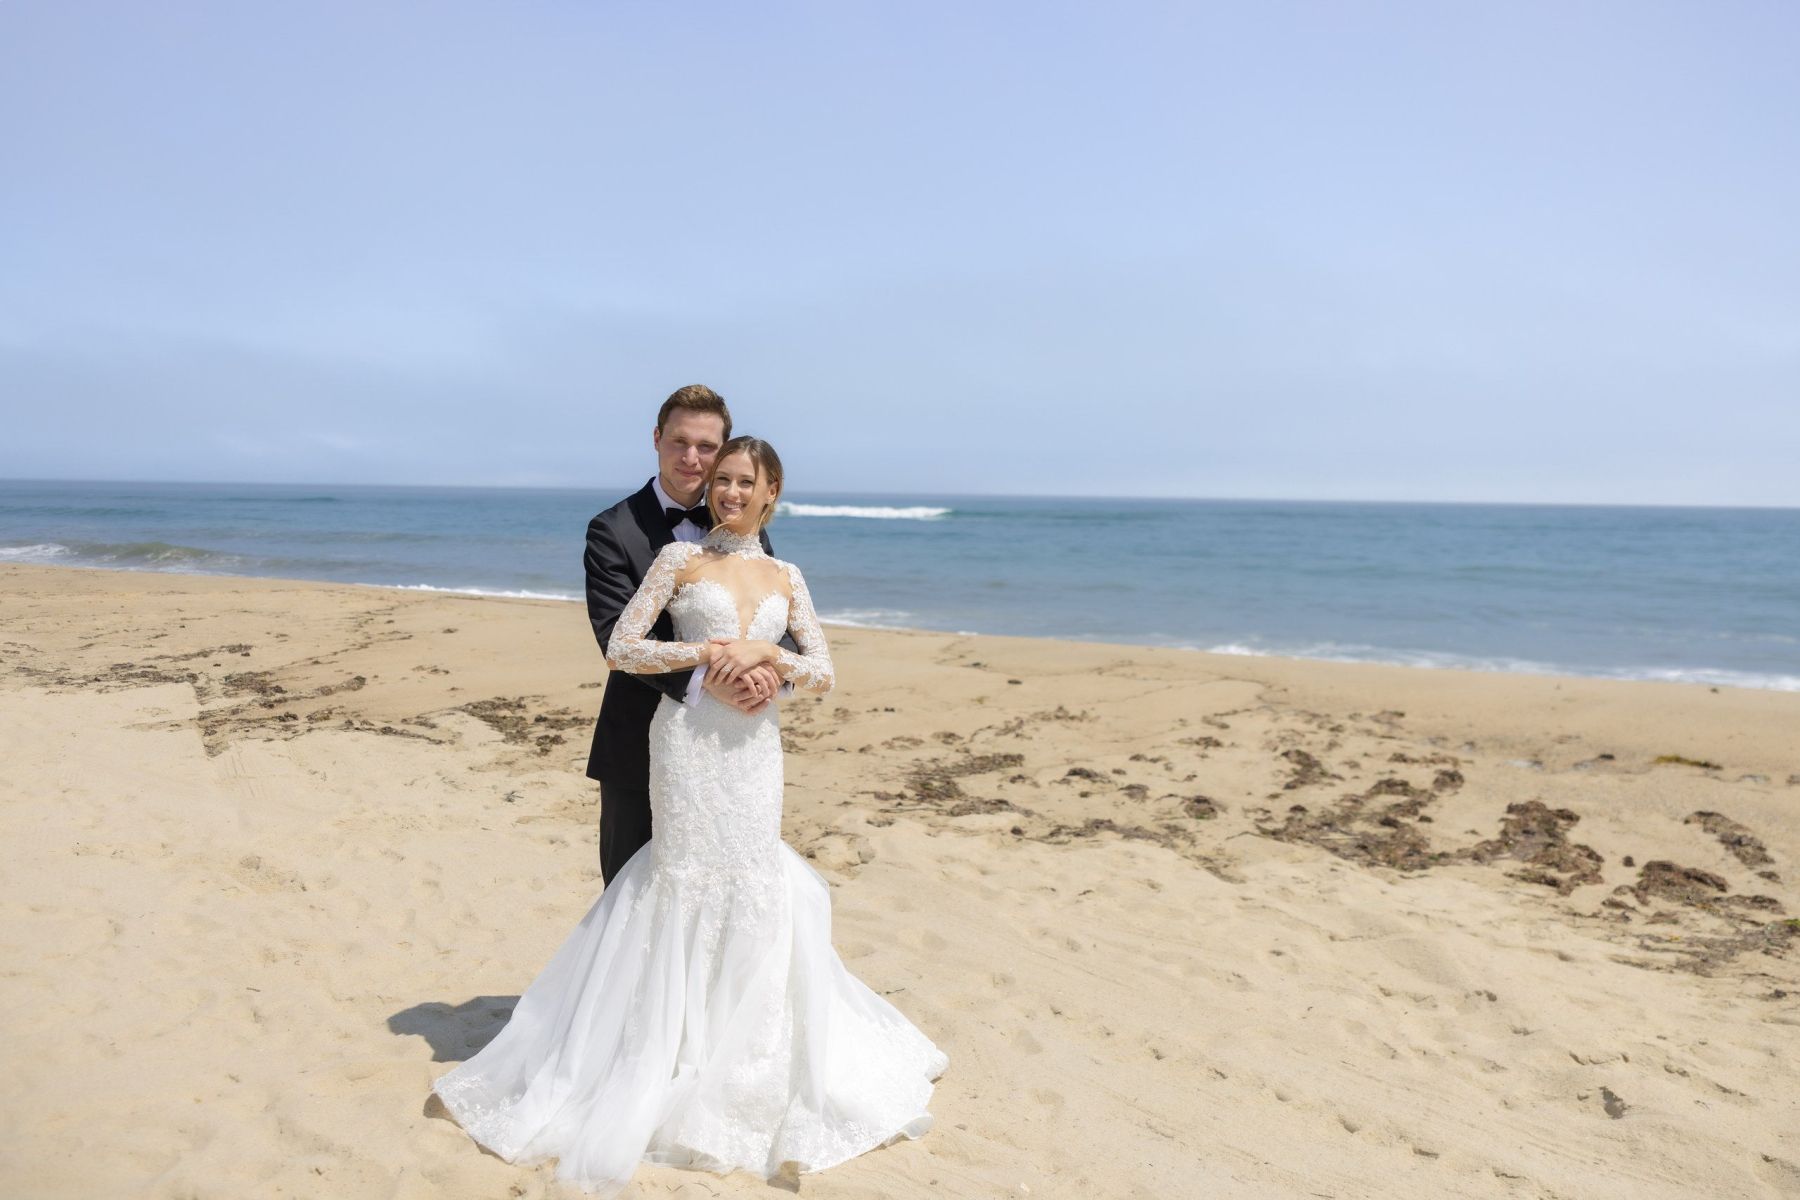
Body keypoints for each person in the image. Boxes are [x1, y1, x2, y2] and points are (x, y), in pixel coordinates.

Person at [433, 437, 947, 1195]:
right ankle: (661, 1049)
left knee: (753, 879)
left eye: (746, 482)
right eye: (724, 481)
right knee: (681, 879)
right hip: (688, 741)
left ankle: (743, 1050)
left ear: (772, 493)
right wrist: (709, 654)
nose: (731, 493)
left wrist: (764, 659)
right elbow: (622, 646)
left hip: (753, 750)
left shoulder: (787, 573)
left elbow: (823, 669)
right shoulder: (677, 564)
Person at [579, 385, 791, 885]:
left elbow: (774, 615)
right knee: (630, 900)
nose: (692, 458)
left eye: (707, 447)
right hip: (639, 744)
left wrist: (770, 675)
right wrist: (707, 678)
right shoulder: (613, 529)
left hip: (731, 749)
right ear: (656, 439)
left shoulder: (748, 527)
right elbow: (615, 636)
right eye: (679, 442)